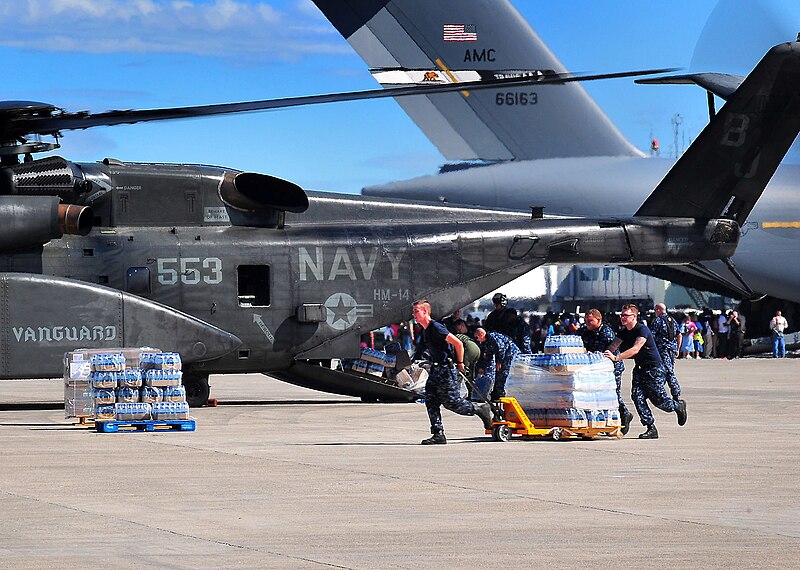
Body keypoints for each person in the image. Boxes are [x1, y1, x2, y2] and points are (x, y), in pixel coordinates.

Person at [411, 300, 493, 444]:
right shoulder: (425, 331)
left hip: (446, 369)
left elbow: (458, 343)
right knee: (430, 400)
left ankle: (480, 409)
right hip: (435, 370)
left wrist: (460, 363)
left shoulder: (436, 327)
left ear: (425, 312)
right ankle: (438, 433)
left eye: (416, 311)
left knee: (452, 403)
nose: (414, 315)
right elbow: (420, 349)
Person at [603, 304, 687, 439]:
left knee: (659, 401)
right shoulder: (624, 331)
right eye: (622, 315)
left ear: (634, 317)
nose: (623, 318)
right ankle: (651, 427)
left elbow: (636, 349)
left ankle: (677, 406)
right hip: (640, 369)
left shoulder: (642, 330)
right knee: (637, 397)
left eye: (626, 315)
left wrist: (616, 358)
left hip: (654, 369)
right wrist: (602, 355)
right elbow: (614, 344)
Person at [578, 308, 634, 435]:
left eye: (590, 320)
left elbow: (611, 348)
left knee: (613, 394)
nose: (587, 322)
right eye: (586, 320)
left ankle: (625, 414)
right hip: (597, 368)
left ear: (599, 320)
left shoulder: (606, 331)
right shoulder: (586, 331)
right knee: (601, 395)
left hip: (612, 367)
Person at [474, 327, 520, 401]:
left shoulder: (493, 337)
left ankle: (501, 395)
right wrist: (482, 367)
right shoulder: (486, 342)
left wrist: (499, 362)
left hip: (510, 353)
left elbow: (501, 349)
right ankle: (496, 394)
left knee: (503, 373)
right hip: (503, 355)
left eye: (477, 337)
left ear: (481, 334)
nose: (477, 339)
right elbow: (487, 356)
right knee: (497, 373)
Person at [650, 303, 682, 400]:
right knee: (667, 369)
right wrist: (677, 349)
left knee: (667, 371)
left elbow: (651, 335)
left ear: (659, 310)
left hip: (662, 349)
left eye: (655, 310)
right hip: (672, 349)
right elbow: (679, 335)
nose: (655, 312)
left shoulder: (658, 320)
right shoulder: (672, 320)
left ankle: (674, 392)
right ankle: (660, 391)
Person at [452, 319, 481, 394]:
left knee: (461, 371)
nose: (458, 331)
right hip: (477, 349)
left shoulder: (455, 336)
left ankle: (456, 393)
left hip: (469, 350)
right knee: (471, 373)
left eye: (459, 329)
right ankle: (473, 393)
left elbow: (453, 348)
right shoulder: (467, 334)